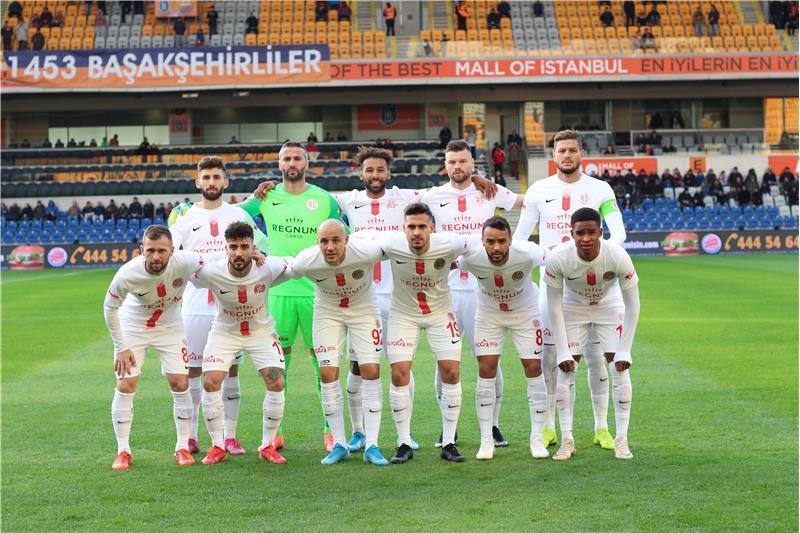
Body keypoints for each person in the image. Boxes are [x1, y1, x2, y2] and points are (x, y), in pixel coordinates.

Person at [513, 129, 627, 452]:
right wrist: (546, 259)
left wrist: (598, 260)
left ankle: (602, 427)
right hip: (553, 287)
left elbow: (617, 232)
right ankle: (550, 426)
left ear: (581, 154)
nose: (566, 156)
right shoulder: (538, 191)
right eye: (561, 150)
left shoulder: (600, 189)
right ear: (553, 156)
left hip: (595, 290)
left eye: (572, 150)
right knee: (552, 358)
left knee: (595, 358)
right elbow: (521, 239)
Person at [240, 142, 347, 452]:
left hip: (317, 292)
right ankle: (276, 432)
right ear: (279, 163)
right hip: (278, 293)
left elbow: (343, 236)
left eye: (297, 157)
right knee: (277, 366)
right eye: (286, 158)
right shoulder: (266, 196)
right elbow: (233, 218)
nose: (291, 162)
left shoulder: (323, 199)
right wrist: (254, 248)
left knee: (323, 364)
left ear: (306, 161)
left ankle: (331, 431)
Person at [352, 203, 477, 464]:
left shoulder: (450, 243)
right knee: (399, 374)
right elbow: (356, 241)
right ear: (403, 228)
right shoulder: (391, 243)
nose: (416, 232)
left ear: (432, 227)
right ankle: (403, 442)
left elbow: (481, 245)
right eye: (411, 227)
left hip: (441, 314)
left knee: (451, 372)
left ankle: (449, 442)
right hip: (403, 315)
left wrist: (461, 263)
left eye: (422, 226)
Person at [420, 140, 521, 448]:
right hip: (445, 291)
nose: (457, 167)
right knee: (444, 361)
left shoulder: (489, 191)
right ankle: (446, 429)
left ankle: (493, 426)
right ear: (445, 165)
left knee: (488, 360)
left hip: (483, 291)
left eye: (463, 161)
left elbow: (530, 204)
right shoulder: (432, 196)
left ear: (473, 163)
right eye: (452, 162)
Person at [168, 156, 268, 456]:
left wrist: (260, 255)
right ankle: (191, 436)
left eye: (216, 177)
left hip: (231, 305)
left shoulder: (237, 214)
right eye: (206, 178)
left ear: (225, 182)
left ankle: (229, 435)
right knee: (194, 371)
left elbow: (258, 246)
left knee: (230, 371)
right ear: (198, 183)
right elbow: (170, 251)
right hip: (196, 304)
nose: (211, 183)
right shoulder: (184, 219)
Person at [103, 225, 208, 469]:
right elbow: (109, 307)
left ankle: (182, 447)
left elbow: (214, 260)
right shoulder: (127, 273)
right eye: (150, 251)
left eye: (162, 251)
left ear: (173, 250)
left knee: (180, 383)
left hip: (170, 328)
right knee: (126, 384)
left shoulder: (185, 261)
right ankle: (123, 451)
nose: (156, 256)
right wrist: (121, 347)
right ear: (142, 250)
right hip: (133, 327)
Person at [289, 220, 391, 466]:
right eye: (324, 241)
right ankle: (339, 444)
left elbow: (398, 246)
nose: (330, 247)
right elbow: (281, 269)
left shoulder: (366, 250)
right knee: (327, 374)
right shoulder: (306, 260)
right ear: (317, 242)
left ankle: (372, 444)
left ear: (347, 240)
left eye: (336, 240)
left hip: (364, 310)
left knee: (371, 371)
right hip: (327, 313)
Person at [545, 207, 639, 461]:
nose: (585, 238)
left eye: (591, 232)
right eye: (580, 233)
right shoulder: (558, 258)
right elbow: (554, 305)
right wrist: (563, 350)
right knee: (566, 368)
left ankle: (622, 439)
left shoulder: (617, 256)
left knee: (620, 367)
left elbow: (633, 305)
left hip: (609, 306)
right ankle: (567, 439)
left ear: (600, 232)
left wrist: (625, 349)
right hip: (573, 307)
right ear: (571, 233)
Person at [191, 222, 288, 465]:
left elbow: (296, 264)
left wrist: (267, 257)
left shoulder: (267, 268)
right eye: (233, 247)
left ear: (253, 248)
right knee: (211, 382)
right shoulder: (212, 272)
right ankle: (216, 445)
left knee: (276, 382)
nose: (238, 253)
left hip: (261, 332)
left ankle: (268, 444)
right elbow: (184, 267)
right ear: (225, 248)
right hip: (225, 332)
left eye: (244, 247)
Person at [456, 216, 549, 459]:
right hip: (489, 314)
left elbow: (556, 259)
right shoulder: (470, 258)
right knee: (486, 368)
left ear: (510, 240)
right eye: (490, 241)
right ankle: (486, 440)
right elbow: (446, 263)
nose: (496, 247)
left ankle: (537, 439)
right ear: (482, 241)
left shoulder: (529, 253)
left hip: (526, 312)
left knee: (533, 367)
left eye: (501, 241)